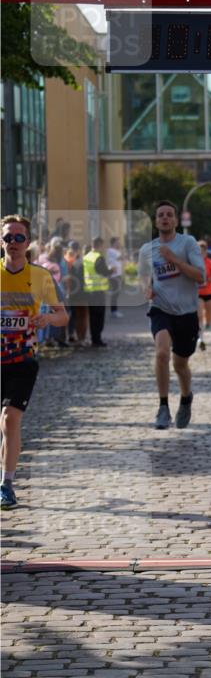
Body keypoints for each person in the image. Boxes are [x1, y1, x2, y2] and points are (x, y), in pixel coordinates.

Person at [1, 215, 68, 509]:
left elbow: (63, 315)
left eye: (18, 238)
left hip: (23, 358)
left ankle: (6, 483)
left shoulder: (40, 276)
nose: (12, 243)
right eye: (7, 237)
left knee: (9, 420)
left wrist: (46, 318)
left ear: (28, 243)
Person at [138, 200, 205, 429]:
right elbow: (143, 279)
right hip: (160, 309)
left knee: (180, 365)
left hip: (186, 313)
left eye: (169, 214)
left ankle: (186, 398)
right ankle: (163, 407)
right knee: (161, 353)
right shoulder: (147, 250)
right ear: (156, 221)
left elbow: (200, 276)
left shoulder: (188, 243)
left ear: (175, 220)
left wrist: (174, 259)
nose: (165, 218)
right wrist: (146, 288)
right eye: (160, 215)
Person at [83, 237, 112, 347]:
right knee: (99, 316)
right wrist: (111, 270)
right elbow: (103, 271)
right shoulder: (99, 257)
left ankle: (93, 338)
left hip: (89, 290)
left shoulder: (86, 257)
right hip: (98, 291)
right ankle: (97, 339)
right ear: (100, 245)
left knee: (92, 316)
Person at [196, 239, 211, 350]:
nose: (200, 254)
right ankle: (201, 338)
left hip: (210, 293)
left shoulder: (210, 263)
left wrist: (210, 278)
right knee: (199, 316)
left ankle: (206, 325)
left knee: (208, 318)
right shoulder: (192, 263)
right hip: (197, 294)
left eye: (202, 251)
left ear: (206, 252)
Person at [107, 236, 124, 318]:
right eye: (118, 242)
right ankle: (114, 311)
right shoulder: (111, 250)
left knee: (117, 293)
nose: (119, 243)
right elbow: (121, 257)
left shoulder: (116, 251)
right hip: (114, 276)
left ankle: (114, 310)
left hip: (118, 275)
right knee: (115, 293)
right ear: (113, 243)